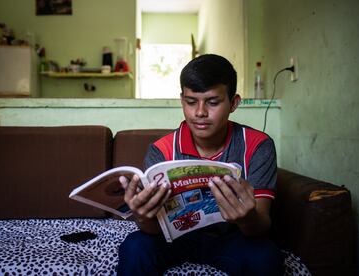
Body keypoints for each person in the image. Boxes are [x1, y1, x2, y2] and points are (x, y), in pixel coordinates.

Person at [117, 54, 283, 276]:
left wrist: (247, 217)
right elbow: (153, 229)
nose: (200, 113)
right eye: (191, 101)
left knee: (266, 255)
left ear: (234, 103)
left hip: (234, 238)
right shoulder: (162, 150)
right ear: (182, 100)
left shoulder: (258, 145)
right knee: (135, 246)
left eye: (213, 102)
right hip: (176, 238)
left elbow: (262, 223)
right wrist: (142, 216)